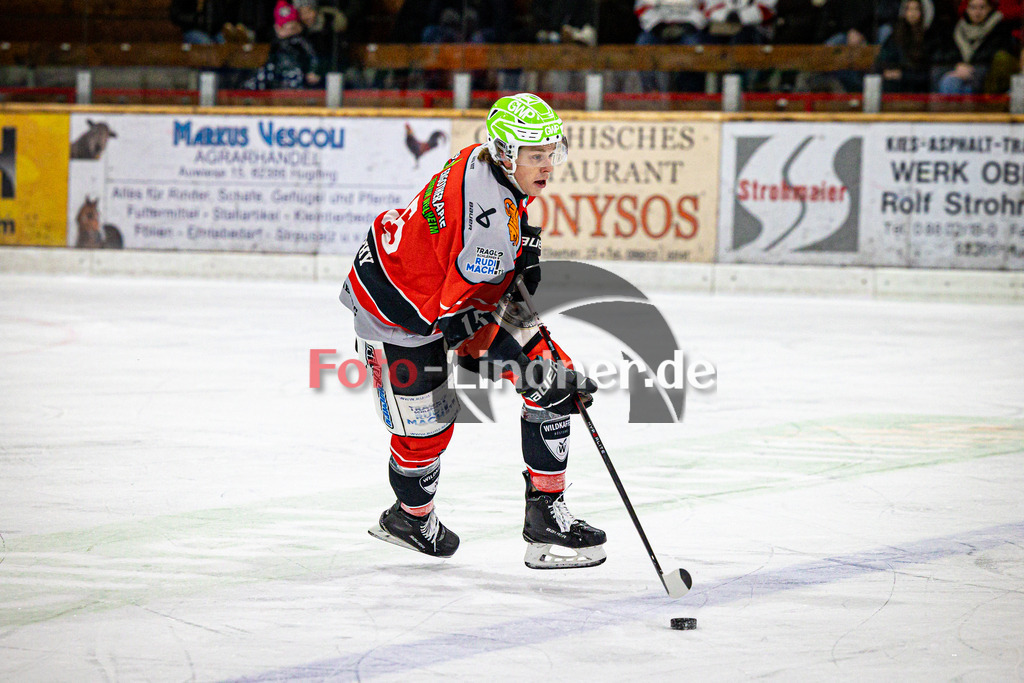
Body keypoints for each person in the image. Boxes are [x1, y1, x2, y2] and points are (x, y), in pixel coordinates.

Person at [340, 93, 605, 569]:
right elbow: (463, 335)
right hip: (394, 310)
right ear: (507, 153)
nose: (547, 165)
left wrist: (517, 257)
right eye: (535, 155)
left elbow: (471, 250)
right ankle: (409, 519)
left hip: (437, 290)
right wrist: (527, 374)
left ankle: (546, 516)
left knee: (555, 377)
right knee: (427, 429)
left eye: (551, 152)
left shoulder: (481, 158)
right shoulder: (487, 231)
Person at [933, 0, 1017, 94]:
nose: (977, 12)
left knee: (952, 83)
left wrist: (970, 69)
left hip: (986, 75)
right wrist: (957, 66)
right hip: (959, 71)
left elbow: (997, 57)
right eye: (973, 7)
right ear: (967, 9)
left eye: (982, 7)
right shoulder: (957, 29)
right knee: (947, 79)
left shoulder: (1000, 29)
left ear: (990, 8)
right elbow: (943, 55)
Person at [242, 1, 322, 90]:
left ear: (299, 28)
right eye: (283, 28)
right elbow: (269, 59)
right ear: (277, 28)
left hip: (294, 73)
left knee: (293, 77)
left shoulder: (299, 41)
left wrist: (313, 71)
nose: (287, 31)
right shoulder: (274, 43)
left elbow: (313, 57)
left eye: (292, 28)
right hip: (276, 73)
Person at [634, 0, 708, 92]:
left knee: (695, 48)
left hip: (688, 28)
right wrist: (657, 26)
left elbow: (705, 7)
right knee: (643, 46)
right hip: (658, 28)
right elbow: (642, 6)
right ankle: (652, 93)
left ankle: (689, 94)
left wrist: (690, 25)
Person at [874, 0, 937, 92]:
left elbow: (927, 74)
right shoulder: (896, 36)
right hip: (895, 85)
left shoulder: (929, 38)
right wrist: (889, 72)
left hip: (918, 88)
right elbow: (882, 61)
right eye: (909, 9)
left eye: (916, 9)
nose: (912, 13)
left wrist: (902, 75)